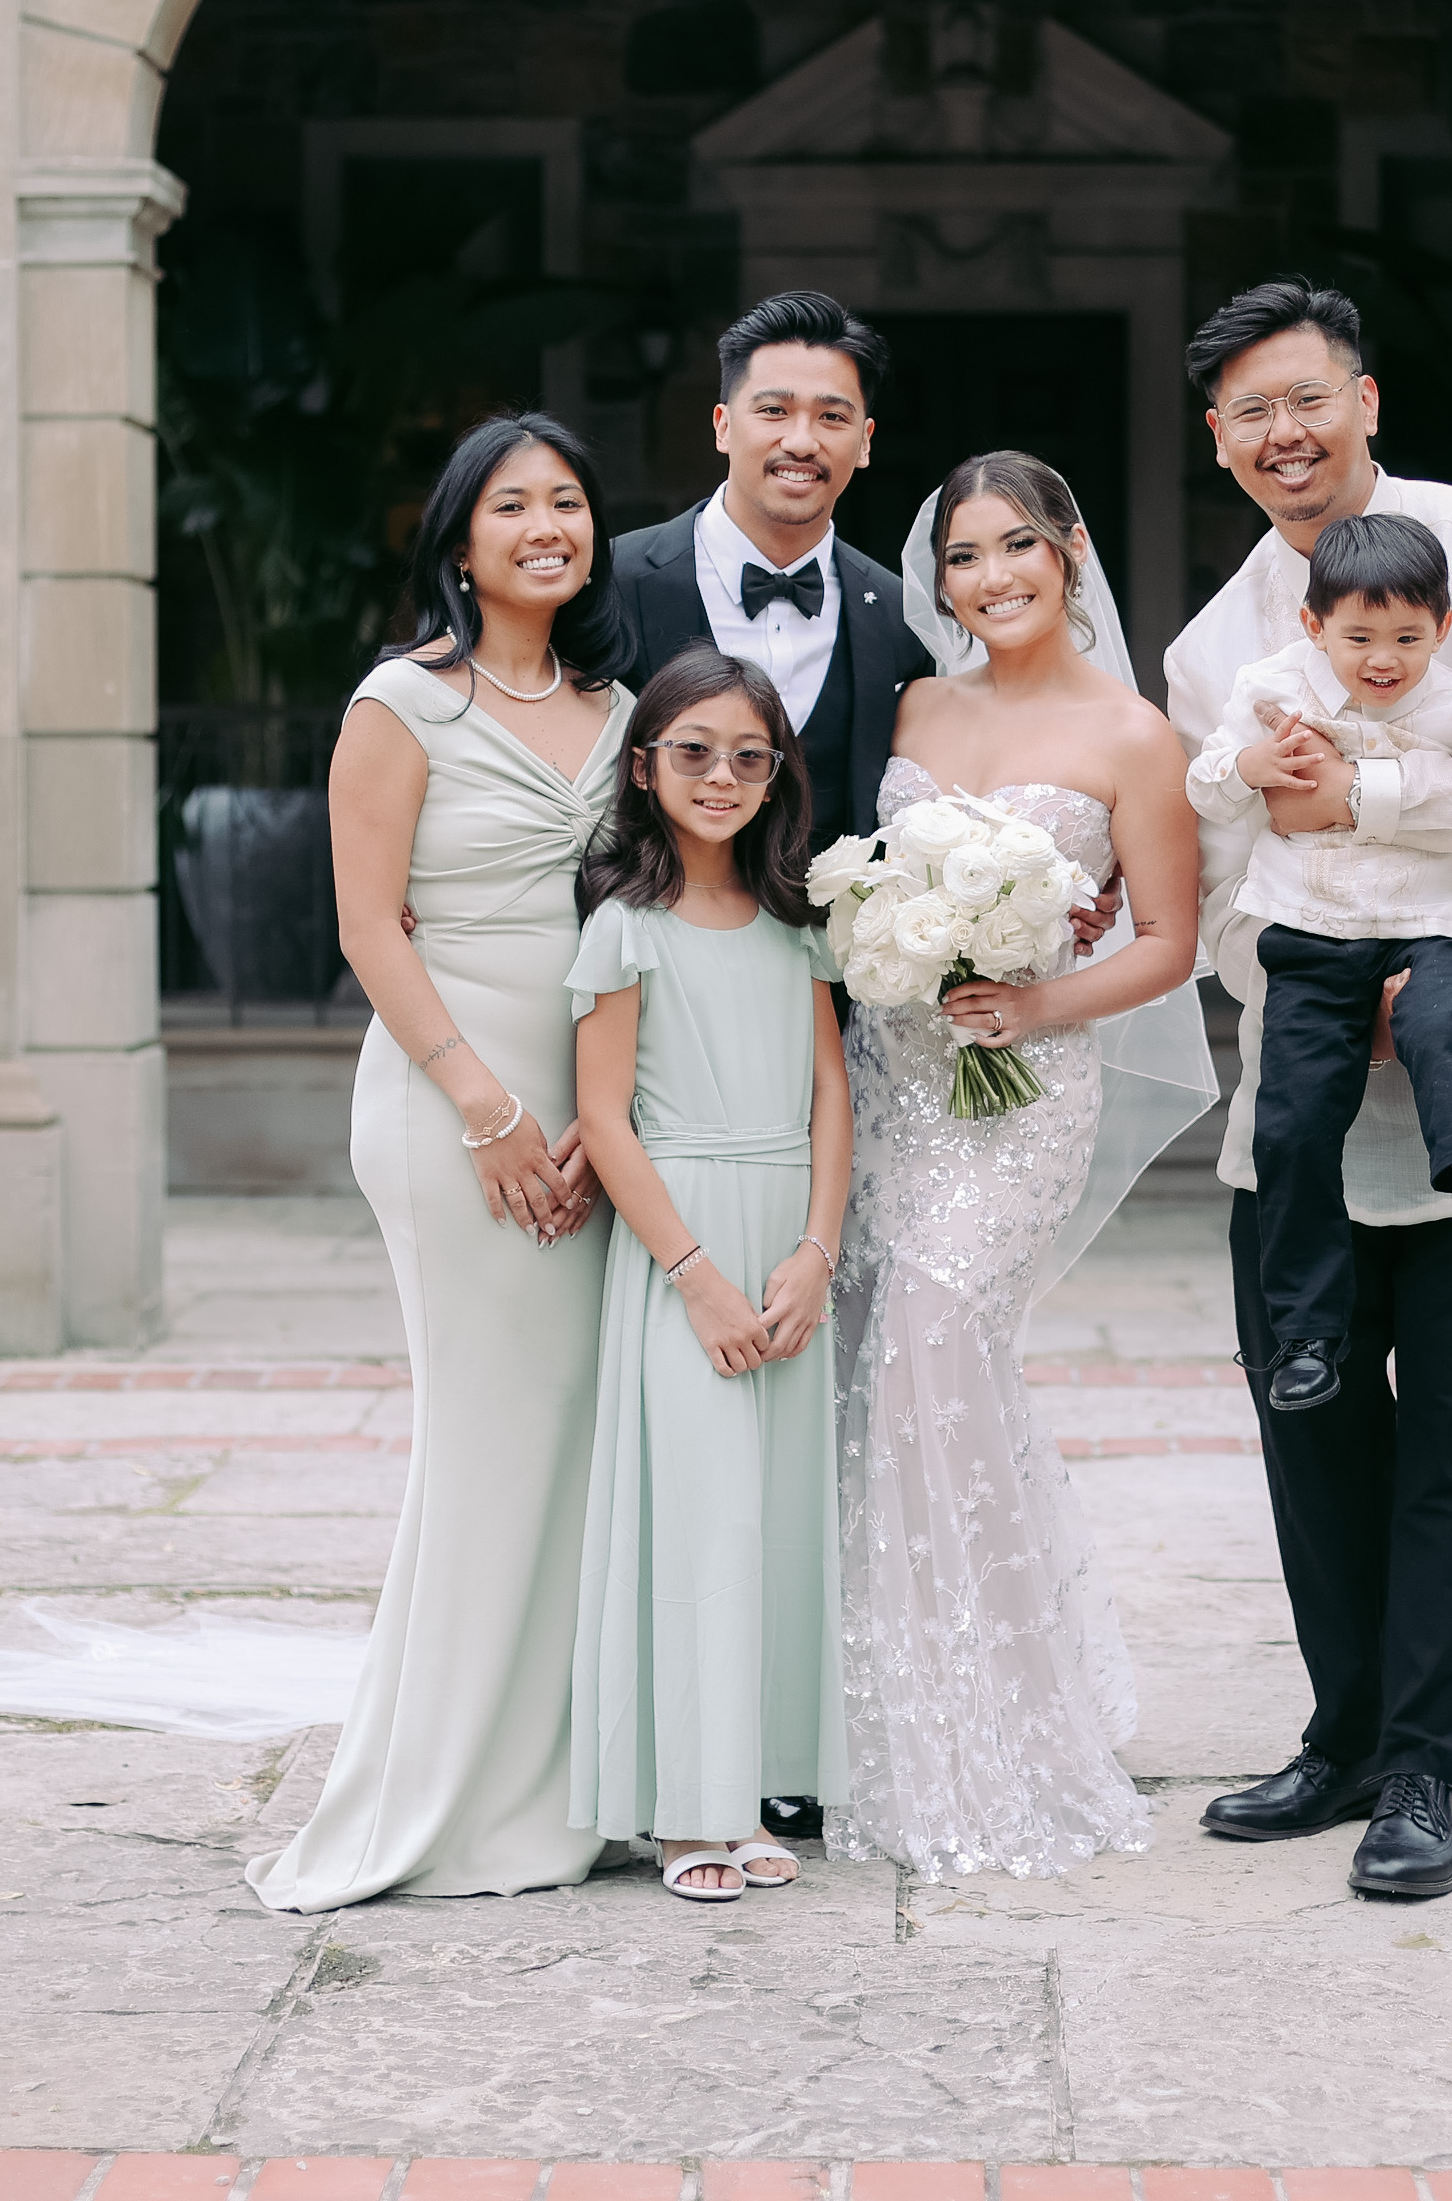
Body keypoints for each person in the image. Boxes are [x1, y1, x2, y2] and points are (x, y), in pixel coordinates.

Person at [1162, 278, 1452, 1904]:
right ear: (1218, 441)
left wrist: (1358, 798)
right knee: (1303, 1416)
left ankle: (1428, 1766)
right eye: (1249, 413)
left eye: (1308, 397)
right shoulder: (1214, 647)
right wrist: (1288, 968)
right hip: (1304, 1086)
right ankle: (1345, 1732)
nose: (1283, 433)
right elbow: (1217, 871)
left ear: (1364, 400)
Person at [247, 412, 634, 1911]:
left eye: (568, 502)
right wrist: (485, 1106)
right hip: (448, 1099)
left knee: (573, 1442)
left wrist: (604, 1115)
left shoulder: (620, 709)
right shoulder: (400, 703)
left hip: (587, 1111)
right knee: (488, 1438)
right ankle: (441, 1799)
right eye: (513, 504)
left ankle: (552, 1782)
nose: (547, 526)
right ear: (462, 539)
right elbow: (368, 925)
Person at [831, 448, 1207, 1881]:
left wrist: (1036, 1002)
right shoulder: (917, 706)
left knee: (931, 1335)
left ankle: (994, 1729)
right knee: (893, 1368)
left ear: (1070, 551)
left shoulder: (1133, 736)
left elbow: (1165, 941)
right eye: (963, 558)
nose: (990, 579)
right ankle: (880, 1700)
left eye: (1014, 548)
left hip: (1022, 1095)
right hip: (895, 1081)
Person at [563, 646, 853, 1904]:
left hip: (786, 1239)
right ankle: (687, 1809)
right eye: (693, 751)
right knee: (699, 1516)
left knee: (776, 1522)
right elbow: (604, 1117)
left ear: (777, 771)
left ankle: (755, 1784)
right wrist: (695, 1274)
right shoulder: (625, 927)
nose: (721, 775)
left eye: (748, 754)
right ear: (644, 767)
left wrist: (816, 1250)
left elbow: (833, 1093)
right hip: (682, 1242)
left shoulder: (799, 925)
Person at [1185, 507, 1452, 1419]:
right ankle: (1304, 1334)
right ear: (1315, 625)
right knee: (1292, 1123)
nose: (1385, 660)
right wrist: (1255, 764)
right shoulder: (1269, 688)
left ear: (1442, 628)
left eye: (1408, 638)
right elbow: (1206, 789)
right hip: (1308, 928)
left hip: (1425, 923)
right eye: (1360, 638)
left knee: (1442, 1029)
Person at [608, 291, 942, 856]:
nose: (801, 442)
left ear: (864, 442)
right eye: (773, 411)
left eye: (832, 417)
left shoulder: (901, 616)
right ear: (722, 426)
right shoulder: (615, 581)